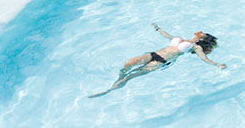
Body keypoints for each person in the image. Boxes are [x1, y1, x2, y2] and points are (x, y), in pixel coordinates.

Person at [89, 23, 225, 97]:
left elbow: (204, 58)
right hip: (153, 54)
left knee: (131, 76)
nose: (200, 30)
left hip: (161, 62)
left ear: (202, 39)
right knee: (129, 63)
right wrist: (158, 29)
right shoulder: (181, 39)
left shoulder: (195, 47)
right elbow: (168, 36)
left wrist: (217, 64)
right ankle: (119, 77)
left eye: (203, 33)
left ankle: (109, 90)